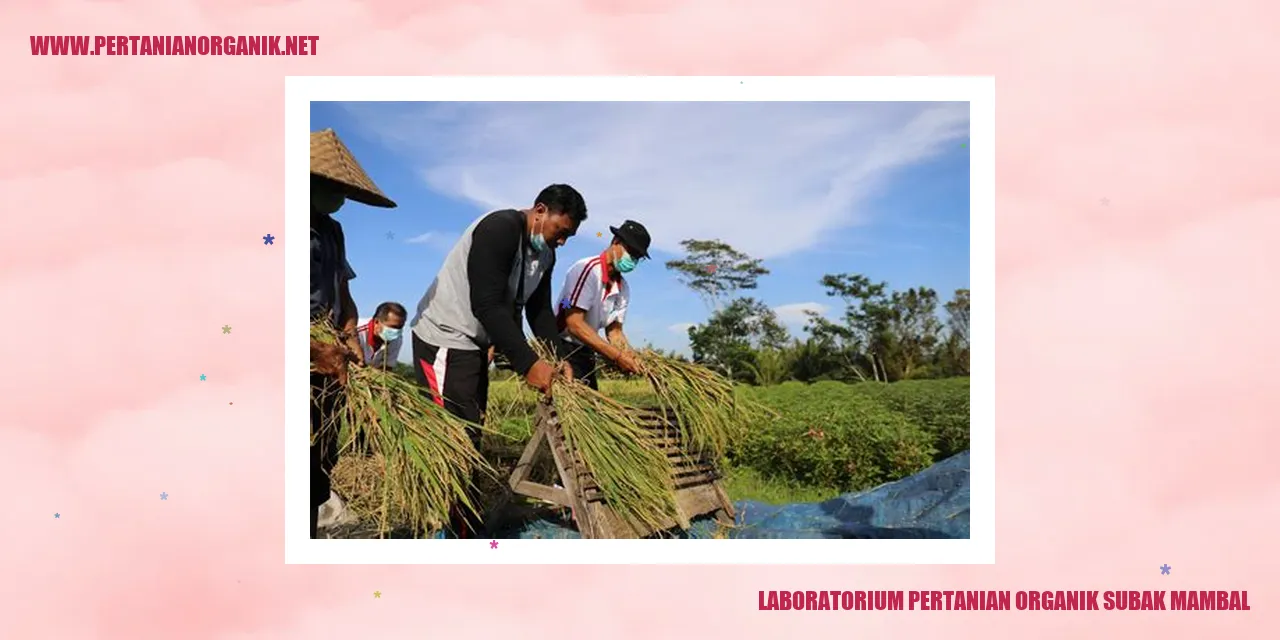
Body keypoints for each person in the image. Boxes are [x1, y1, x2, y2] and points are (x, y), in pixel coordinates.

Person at [409, 184, 586, 538]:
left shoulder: (544, 255)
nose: (562, 242)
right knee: (454, 438)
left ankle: (462, 524)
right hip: (445, 338)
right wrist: (528, 364)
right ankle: (445, 529)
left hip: (475, 345)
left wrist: (555, 356)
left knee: (471, 435)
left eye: (569, 236)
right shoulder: (499, 228)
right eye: (560, 231)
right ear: (539, 211)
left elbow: (538, 312)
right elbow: (487, 303)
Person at [309, 128, 397, 539]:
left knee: (320, 454)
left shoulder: (332, 230)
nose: (338, 197)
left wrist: (348, 338)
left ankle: (308, 528)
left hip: (330, 359)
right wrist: (311, 349)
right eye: (331, 186)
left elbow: (344, 291)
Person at [555, 220, 651, 389]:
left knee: (590, 409)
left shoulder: (623, 288)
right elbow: (574, 325)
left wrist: (631, 356)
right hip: (562, 347)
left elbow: (614, 332)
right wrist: (617, 357)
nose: (633, 260)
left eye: (637, 257)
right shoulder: (586, 270)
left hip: (587, 349)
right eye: (631, 252)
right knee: (564, 408)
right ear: (615, 242)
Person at [354, 301, 408, 369]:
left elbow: (387, 367)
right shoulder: (356, 331)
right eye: (392, 327)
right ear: (376, 322)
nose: (396, 331)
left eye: (400, 327)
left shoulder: (397, 339)